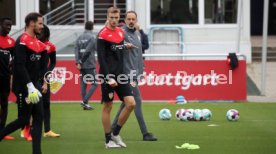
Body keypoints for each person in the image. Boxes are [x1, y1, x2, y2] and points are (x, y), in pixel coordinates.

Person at [0, 12, 47, 154]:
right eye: (39, 23)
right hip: (24, 86)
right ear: (31, 23)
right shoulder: (21, 41)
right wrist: (30, 86)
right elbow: (19, 66)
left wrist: (44, 81)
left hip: (35, 86)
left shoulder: (40, 44)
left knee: (39, 118)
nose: (41, 26)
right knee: (24, 119)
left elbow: (43, 68)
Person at [111, 11, 157, 141]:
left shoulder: (137, 33)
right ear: (125, 20)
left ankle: (112, 131)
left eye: (133, 19)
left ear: (136, 20)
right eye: (129, 19)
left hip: (135, 74)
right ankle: (145, 133)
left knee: (126, 104)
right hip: (126, 74)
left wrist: (141, 67)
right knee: (137, 101)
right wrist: (124, 45)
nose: (131, 21)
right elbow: (113, 47)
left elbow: (138, 53)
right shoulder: (121, 33)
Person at [97, 7, 136, 148]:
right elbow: (101, 58)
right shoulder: (102, 35)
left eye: (116, 18)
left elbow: (116, 48)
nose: (114, 20)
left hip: (121, 74)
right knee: (108, 106)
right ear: (107, 17)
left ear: (119, 18)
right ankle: (108, 140)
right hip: (108, 75)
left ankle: (115, 133)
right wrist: (108, 78)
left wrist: (126, 45)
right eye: (111, 17)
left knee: (131, 103)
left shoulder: (120, 32)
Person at [38, 24, 60, 137]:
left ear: (46, 33)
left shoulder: (50, 46)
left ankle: (47, 130)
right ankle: (27, 130)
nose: (39, 33)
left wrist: (48, 71)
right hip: (33, 78)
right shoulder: (33, 43)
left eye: (42, 31)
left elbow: (53, 62)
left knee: (46, 104)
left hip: (45, 78)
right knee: (33, 105)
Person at [75, 21, 98, 110]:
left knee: (83, 85)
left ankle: (85, 105)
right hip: (90, 63)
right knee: (95, 83)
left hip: (81, 65)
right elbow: (95, 49)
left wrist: (77, 62)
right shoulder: (92, 37)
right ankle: (84, 101)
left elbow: (76, 50)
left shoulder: (79, 37)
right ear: (92, 27)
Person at [0, 17, 15, 140]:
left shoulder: (11, 42)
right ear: (1, 25)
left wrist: (11, 66)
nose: (9, 28)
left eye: (10, 25)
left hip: (5, 77)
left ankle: (2, 131)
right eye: (6, 25)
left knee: (4, 104)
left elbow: (16, 57)